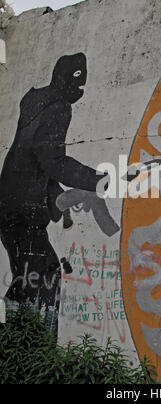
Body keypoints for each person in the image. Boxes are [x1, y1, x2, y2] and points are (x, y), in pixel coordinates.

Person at [0, 53, 107, 336]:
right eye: (77, 82)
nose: (79, 91)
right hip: (23, 211)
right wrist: (95, 179)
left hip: (10, 204)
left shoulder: (34, 102)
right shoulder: (59, 107)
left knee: (29, 277)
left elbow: (32, 156)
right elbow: (52, 160)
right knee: (45, 276)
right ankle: (34, 352)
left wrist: (56, 199)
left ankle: (15, 344)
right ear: (66, 80)